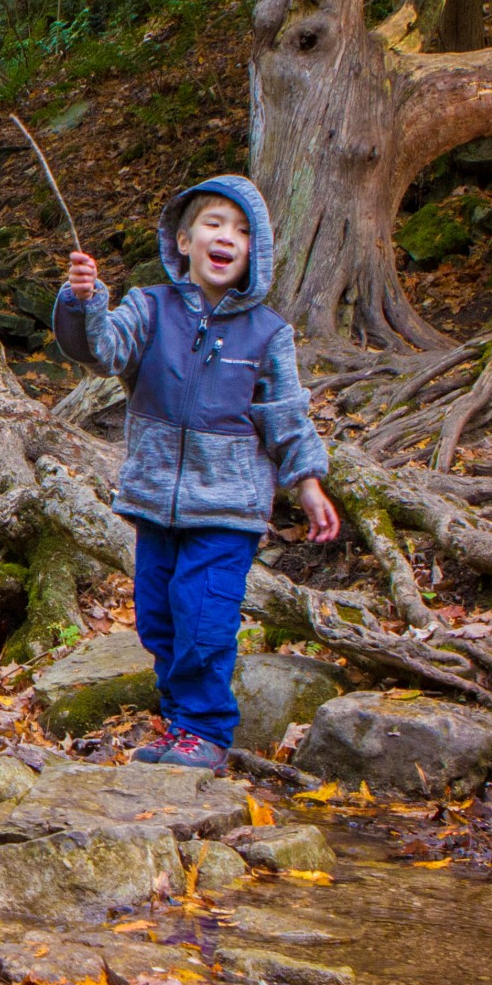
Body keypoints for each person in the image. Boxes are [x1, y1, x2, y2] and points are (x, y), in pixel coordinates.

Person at [52, 175, 340, 771]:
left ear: (253, 253)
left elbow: (285, 414)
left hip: (228, 507)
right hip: (155, 498)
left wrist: (308, 482)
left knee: (203, 615)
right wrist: (83, 302)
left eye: (241, 231)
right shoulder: (150, 307)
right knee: (158, 617)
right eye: (213, 224)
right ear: (184, 240)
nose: (226, 237)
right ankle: (180, 725)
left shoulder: (267, 332)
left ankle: (207, 732)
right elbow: (99, 351)